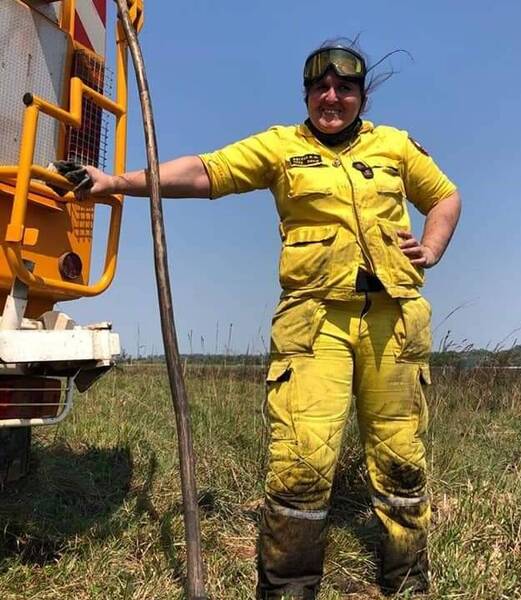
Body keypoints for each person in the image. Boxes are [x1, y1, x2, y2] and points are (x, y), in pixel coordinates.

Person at [84, 43, 460, 599]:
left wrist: (432, 246)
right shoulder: (281, 146)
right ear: (306, 95)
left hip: (394, 322)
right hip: (314, 324)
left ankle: (406, 581)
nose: (332, 98)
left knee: (401, 456)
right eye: (320, 89)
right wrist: (118, 183)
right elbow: (205, 172)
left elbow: (445, 196)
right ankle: (287, 586)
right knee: (302, 459)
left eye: (345, 89)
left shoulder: (395, 146)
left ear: (361, 97)